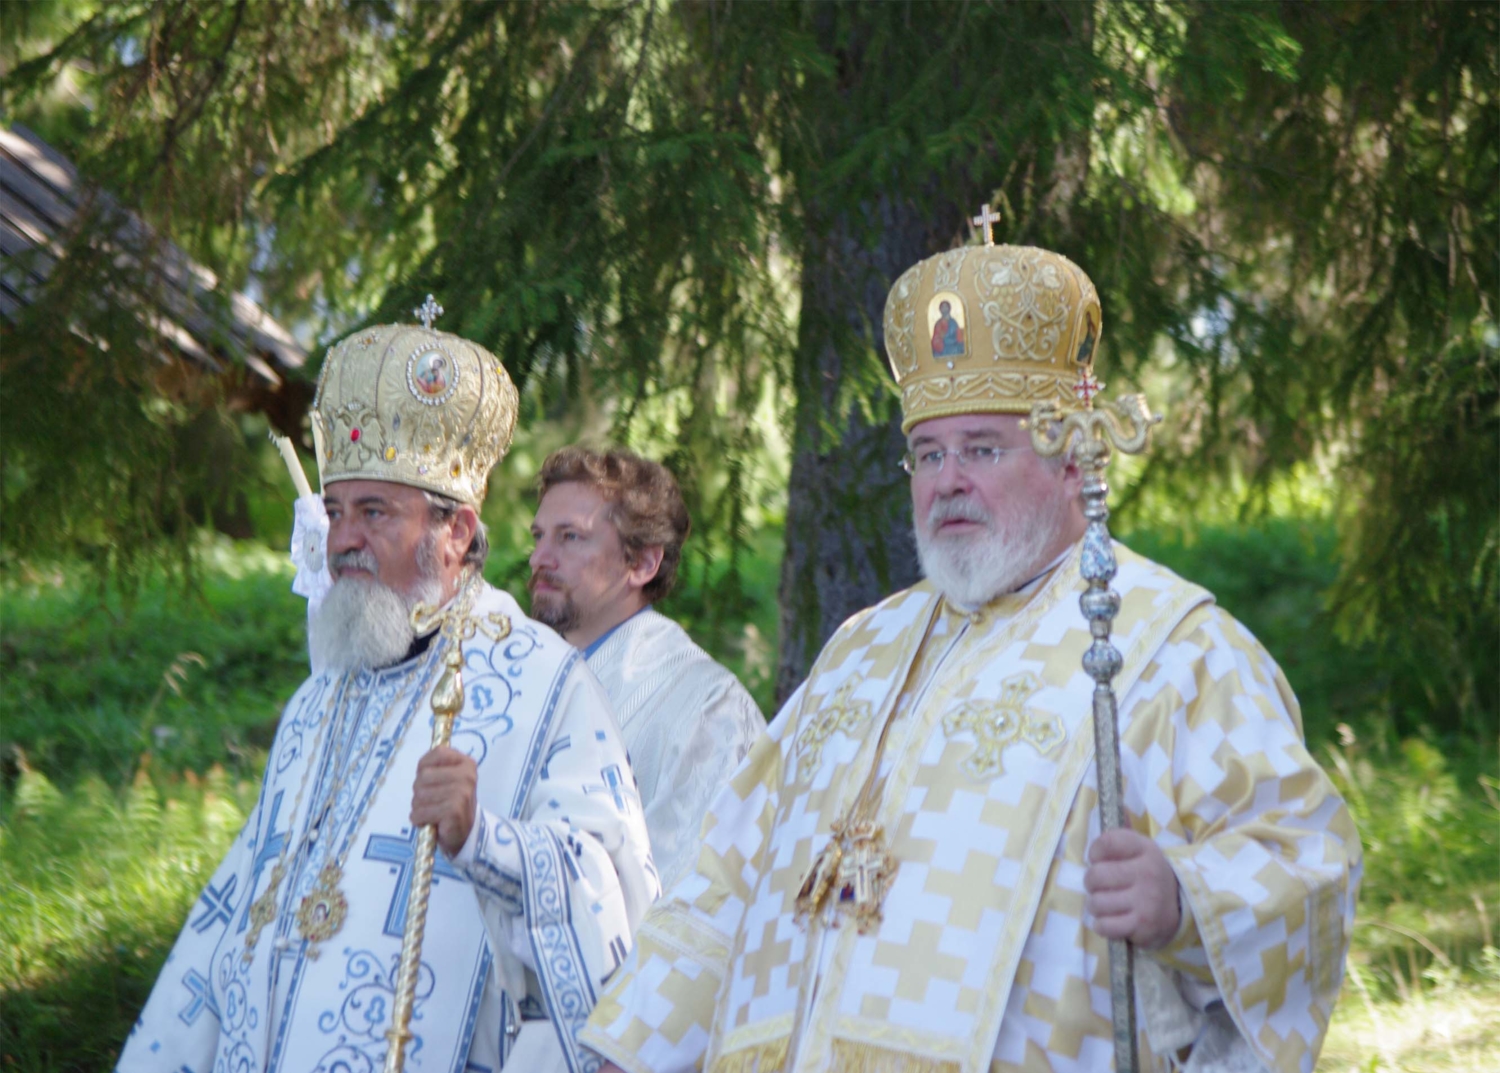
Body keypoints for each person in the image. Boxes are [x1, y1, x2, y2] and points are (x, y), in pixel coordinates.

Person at [579, 242, 1361, 1073]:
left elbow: (1307, 864)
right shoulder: (861, 648)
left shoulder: (1171, 647)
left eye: (984, 448)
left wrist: (1182, 900)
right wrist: (628, 1050)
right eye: (929, 452)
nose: (948, 479)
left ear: (1071, 461)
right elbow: (727, 875)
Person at [117, 315, 658, 1073]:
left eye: (375, 512)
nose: (342, 539)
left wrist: (483, 838)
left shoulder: (541, 685)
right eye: (336, 511)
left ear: (457, 531)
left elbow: (615, 898)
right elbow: (233, 912)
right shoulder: (319, 698)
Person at [528, 446, 766, 891]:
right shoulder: (522, 677)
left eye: (569, 537)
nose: (539, 558)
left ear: (642, 563)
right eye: (538, 536)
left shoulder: (707, 709)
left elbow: (687, 904)